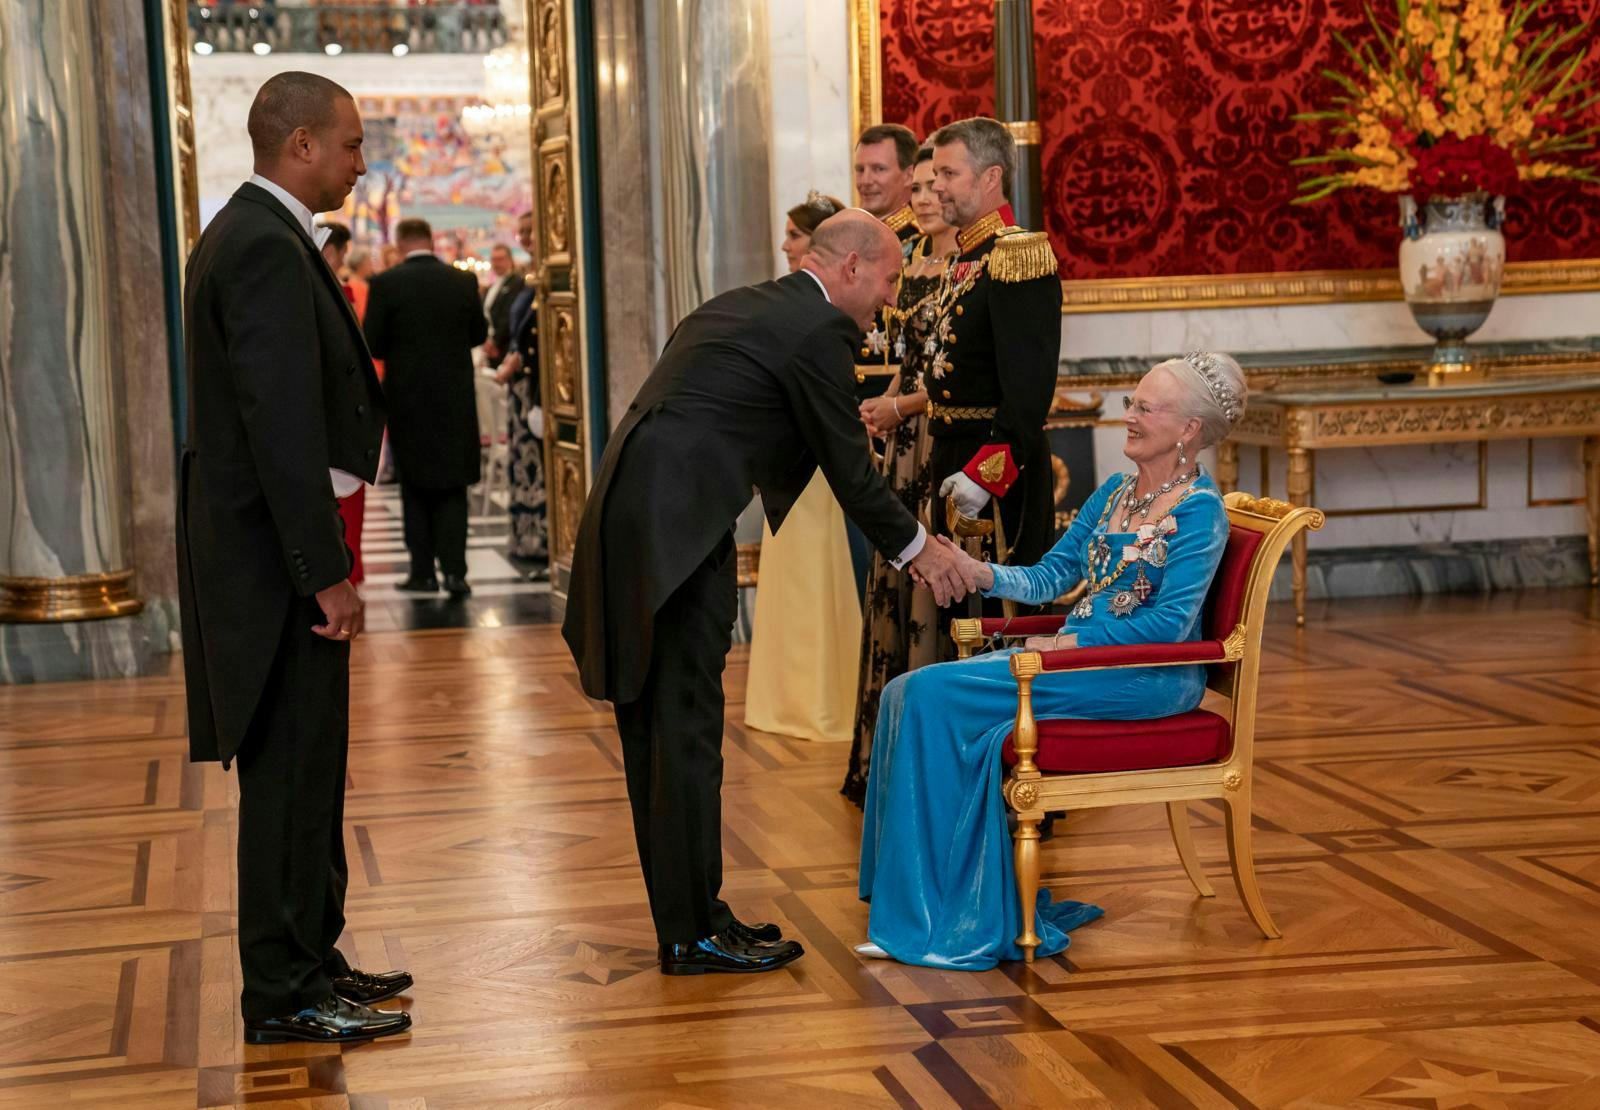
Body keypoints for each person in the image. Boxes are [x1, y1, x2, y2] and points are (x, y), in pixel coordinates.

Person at [562, 210, 977, 976]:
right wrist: (924, 552)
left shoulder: (746, 303)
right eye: (887, 279)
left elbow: (737, 412)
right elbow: (849, 471)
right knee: (682, 740)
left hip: (643, 526)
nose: (888, 300)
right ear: (849, 268)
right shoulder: (820, 329)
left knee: (663, 740)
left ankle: (693, 921)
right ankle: (693, 933)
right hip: (673, 541)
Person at [858, 352, 1250, 969]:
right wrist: (976, 570)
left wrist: (1071, 647)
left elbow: (1169, 626)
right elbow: (1051, 576)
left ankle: (941, 913)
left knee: (931, 694)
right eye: (1131, 403)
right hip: (1076, 664)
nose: (1130, 416)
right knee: (906, 690)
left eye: (1147, 407)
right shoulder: (1114, 493)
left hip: (1143, 679)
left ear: (1189, 430)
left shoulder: (1200, 512)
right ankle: (928, 902)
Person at [176, 71, 409, 1045]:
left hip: (276, 559)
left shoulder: (261, 234)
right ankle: (280, 993)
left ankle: (315, 957)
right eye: (353, 144)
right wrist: (324, 571)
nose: (364, 162)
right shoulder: (263, 245)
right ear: (301, 144)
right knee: (285, 779)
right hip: (274, 569)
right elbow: (279, 424)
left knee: (313, 770)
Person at [842, 145, 955, 804]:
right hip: (903, 441)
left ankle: (934, 747)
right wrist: (882, 406)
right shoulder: (909, 268)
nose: (926, 192)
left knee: (930, 581)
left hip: (939, 440)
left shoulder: (968, 273)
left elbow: (955, 379)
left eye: (940, 182)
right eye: (923, 182)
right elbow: (905, 360)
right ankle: (888, 750)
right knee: (892, 579)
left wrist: (901, 404)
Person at [925, 116, 1062, 649]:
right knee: (959, 616)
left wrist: (986, 475)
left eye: (948, 174)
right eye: (935, 174)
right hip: (954, 455)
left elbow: (1027, 394)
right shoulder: (967, 256)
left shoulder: (1016, 254)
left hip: (1001, 473)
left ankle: (1011, 731)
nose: (936, 186)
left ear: (990, 177)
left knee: (999, 624)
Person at [743, 191, 862, 745]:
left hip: (818, 459)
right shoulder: (784, 300)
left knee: (819, 572)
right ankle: (786, 697)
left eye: (793, 234)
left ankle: (825, 698)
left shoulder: (834, 311)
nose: (785, 245)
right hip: (784, 458)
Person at [364, 217, 488, 597]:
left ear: (401, 244)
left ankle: (422, 571)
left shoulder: (386, 284)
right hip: (454, 399)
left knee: (414, 486)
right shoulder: (462, 281)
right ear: (431, 242)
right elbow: (478, 335)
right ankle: (455, 572)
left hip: (408, 400)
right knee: (453, 487)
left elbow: (374, 343)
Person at [495, 209, 547, 567]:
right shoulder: (528, 279)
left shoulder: (548, 277)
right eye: (522, 232)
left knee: (537, 467)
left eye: (531, 230)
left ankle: (543, 539)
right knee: (523, 464)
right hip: (521, 386)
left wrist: (518, 360)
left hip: (537, 386)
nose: (526, 237)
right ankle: (525, 537)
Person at [480, 241, 520, 369]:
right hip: (489, 345)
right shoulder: (492, 286)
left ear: (509, 260)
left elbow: (509, 316)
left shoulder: (516, 283)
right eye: (493, 259)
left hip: (503, 346)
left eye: (500, 259)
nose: (496, 263)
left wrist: (495, 342)